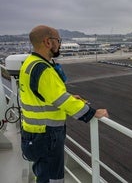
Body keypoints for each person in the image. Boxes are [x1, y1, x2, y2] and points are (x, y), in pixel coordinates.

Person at [19, 25, 109, 183]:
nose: (59, 44)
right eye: (58, 41)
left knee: (41, 172)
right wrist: (92, 112)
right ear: (48, 42)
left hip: (32, 131)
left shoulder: (29, 63)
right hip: (46, 135)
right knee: (52, 177)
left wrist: (68, 96)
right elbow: (62, 100)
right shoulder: (43, 69)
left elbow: (43, 95)